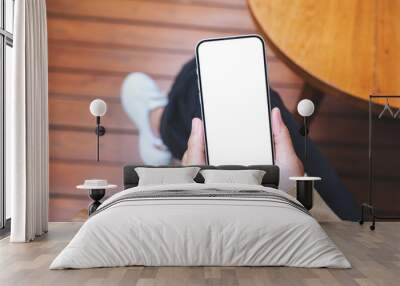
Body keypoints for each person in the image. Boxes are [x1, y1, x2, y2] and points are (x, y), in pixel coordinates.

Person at [121, 58, 358, 221]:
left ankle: (159, 130)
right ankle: (164, 129)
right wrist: (288, 188)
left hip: (308, 222)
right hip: (342, 226)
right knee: (246, 96)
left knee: (201, 77)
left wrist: (197, 189)